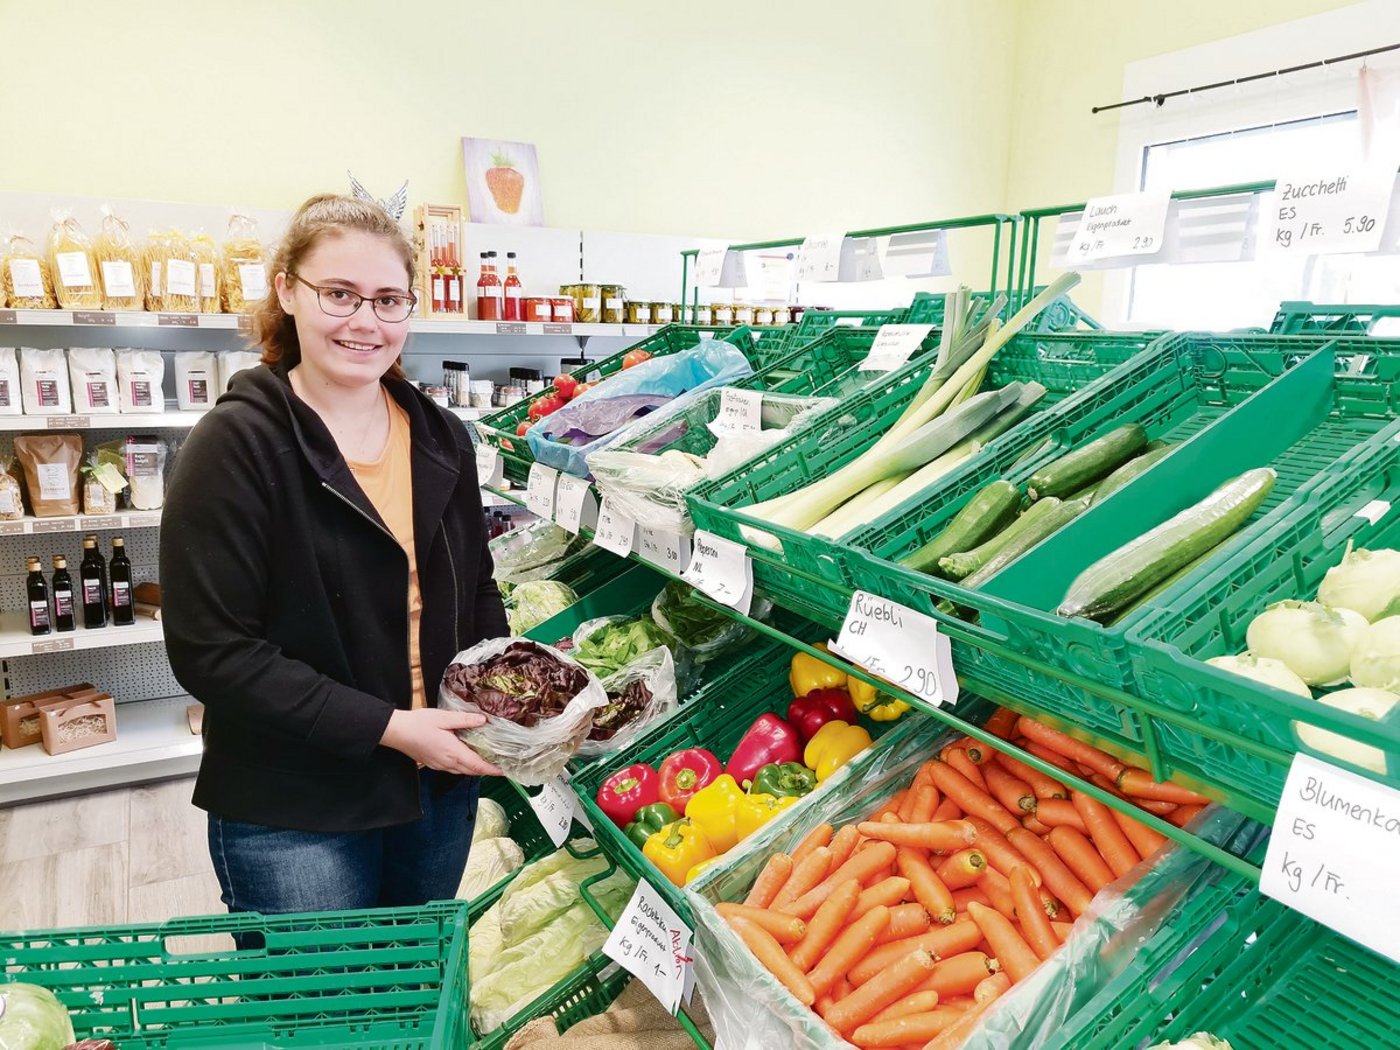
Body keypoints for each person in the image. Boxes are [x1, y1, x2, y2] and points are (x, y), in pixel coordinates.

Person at [161, 193, 508, 915]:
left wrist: (513, 702)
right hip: (296, 804)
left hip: (437, 786)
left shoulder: (441, 436)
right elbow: (212, 651)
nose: (365, 322)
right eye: (339, 294)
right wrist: (390, 728)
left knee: (413, 992)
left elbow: (477, 589)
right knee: (327, 1015)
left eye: (388, 300)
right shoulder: (236, 446)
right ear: (287, 290)